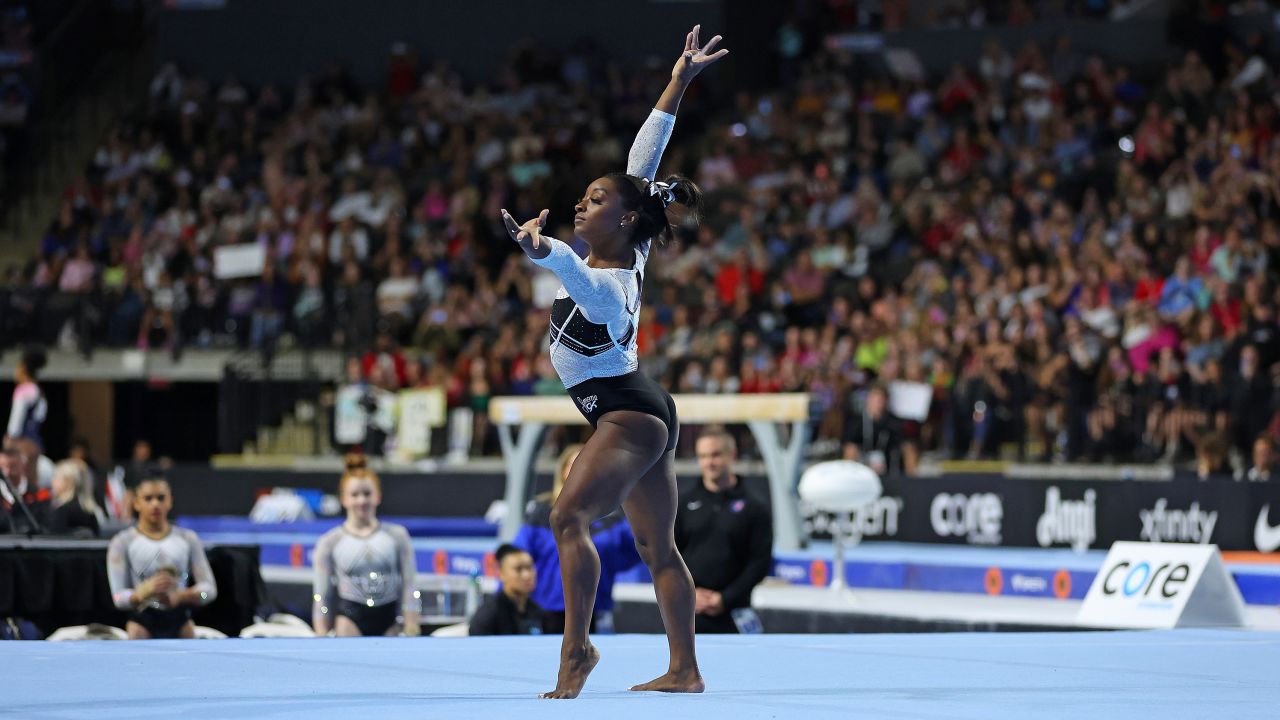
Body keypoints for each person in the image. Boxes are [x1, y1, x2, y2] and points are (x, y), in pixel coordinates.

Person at [500, 25, 727, 698]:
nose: (582, 201)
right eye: (586, 195)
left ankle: (577, 651)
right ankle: (684, 670)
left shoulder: (608, 286)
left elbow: (568, 266)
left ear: (626, 220)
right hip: (642, 410)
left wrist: (538, 249)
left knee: (566, 519)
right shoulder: (626, 253)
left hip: (627, 415)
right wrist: (680, 78)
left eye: (597, 200)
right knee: (660, 550)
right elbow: (645, 154)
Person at [514, 444, 642, 633]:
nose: (580, 472)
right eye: (574, 465)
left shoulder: (612, 515)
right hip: (547, 609)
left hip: (595, 609)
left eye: (587, 465)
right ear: (563, 471)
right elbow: (517, 556)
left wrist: (608, 567)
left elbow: (639, 549)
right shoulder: (541, 512)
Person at [676, 427, 772, 634]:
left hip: (735, 613)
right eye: (703, 456)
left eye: (716, 455)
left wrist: (725, 598)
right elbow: (669, 556)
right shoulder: (682, 504)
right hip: (690, 612)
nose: (709, 462)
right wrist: (689, 593)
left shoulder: (755, 507)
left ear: (732, 455)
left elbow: (760, 562)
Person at [312, 453, 420, 637]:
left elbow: (410, 585)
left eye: (367, 494)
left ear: (378, 496)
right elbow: (321, 595)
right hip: (350, 617)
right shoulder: (329, 542)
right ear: (344, 499)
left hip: (388, 618)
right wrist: (321, 631)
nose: (361, 500)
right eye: (354, 495)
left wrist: (411, 625)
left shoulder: (397, 536)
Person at [106, 475, 218, 639]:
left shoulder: (188, 539)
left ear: (170, 501)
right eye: (148, 498)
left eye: (160, 498)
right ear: (136, 503)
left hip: (180, 620)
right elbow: (117, 598)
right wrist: (141, 593)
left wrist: (183, 596)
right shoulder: (122, 542)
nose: (155, 504)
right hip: (142, 621)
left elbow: (209, 591)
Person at [469, 543, 547, 636]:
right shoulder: (487, 616)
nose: (526, 575)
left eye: (529, 568)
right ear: (501, 573)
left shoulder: (539, 613)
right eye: (518, 569)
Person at [0, 438, 49, 534]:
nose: (7, 472)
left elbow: (46, 527)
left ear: (22, 465)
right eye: (2, 468)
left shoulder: (40, 494)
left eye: (12, 466)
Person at [5, 345, 47, 450]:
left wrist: (10, 439)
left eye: (17, 368)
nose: (15, 372)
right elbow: (40, 416)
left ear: (23, 368)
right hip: (35, 443)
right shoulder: (39, 391)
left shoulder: (23, 390)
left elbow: (16, 419)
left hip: (21, 443)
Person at [47, 459, 101, 536]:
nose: (53, 482)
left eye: (56, 478)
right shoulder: (89, 511)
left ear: (68, 482)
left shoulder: (62, 511)